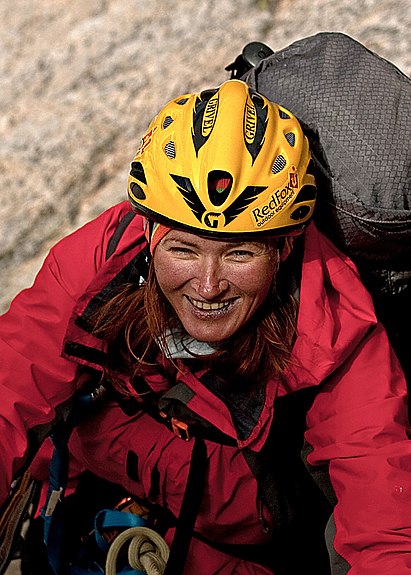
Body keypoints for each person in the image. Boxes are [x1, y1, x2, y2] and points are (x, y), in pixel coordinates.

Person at [0, 79, 411, 575]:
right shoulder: (102, 259)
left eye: (240, 253)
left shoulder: (336, 324)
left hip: (243, 520)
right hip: (119, 479)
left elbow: (383, 512)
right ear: (148, 231)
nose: (209, 286)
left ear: (284, 247)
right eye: (184, 249)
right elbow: (11, 384)